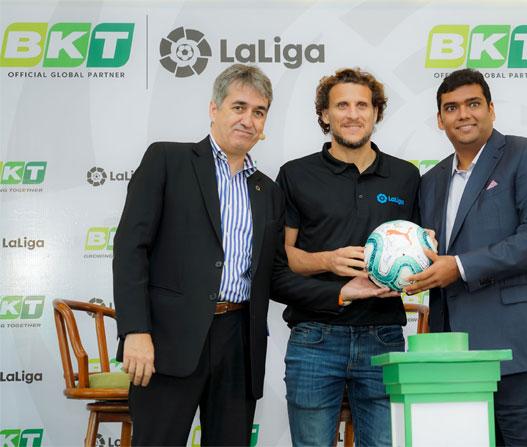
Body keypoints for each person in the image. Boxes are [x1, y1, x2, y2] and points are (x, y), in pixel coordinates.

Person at [112, 64, 377, 446]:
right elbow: (130, 249)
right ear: (214, 109)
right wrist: (136, 330)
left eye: (258, 111)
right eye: (239, 107)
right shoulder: (167, 161)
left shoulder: (267, 190)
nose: (248, 120)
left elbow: (276, 275)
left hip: (239, 343)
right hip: (169, 341)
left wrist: (341, 292)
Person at [405, 68, 527, 446]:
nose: (464, 115)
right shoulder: (431, 181)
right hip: (457, 355)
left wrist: (458, 266)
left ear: (491, 109)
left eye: (473, 104)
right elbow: (425, 249)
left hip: (526, 347)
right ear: (440, 120)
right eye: (452, 108)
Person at [275, 67, 420, 446]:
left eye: (362, 105)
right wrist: (328, 261)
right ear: (325, 114)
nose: (352, 114)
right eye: (341, 105)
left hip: (384, 337)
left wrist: (423, 251)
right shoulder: (295, 174)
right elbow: (281, 258)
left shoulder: (406, 176)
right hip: (314, 337)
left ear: (376, 113)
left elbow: (423, 254)